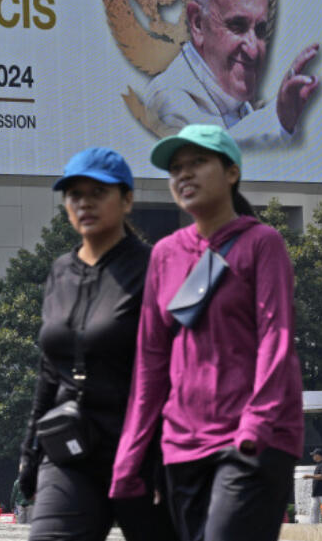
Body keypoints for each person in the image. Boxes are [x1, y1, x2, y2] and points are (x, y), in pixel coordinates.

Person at [110, 125, 304, 541]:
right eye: (176, 168)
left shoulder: (262, 243)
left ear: (231, 172)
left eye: (199, 162)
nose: (184, 174)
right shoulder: (165, 254)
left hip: (252, 442)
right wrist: (131, 451)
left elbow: (277, 338)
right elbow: (151, 362)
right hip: (181, 446)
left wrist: (256, 425)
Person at [19, 146, 174, 541]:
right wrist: (30, 452)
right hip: (70, 450)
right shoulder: (60, 271)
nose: (84, 203)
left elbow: (176, 368)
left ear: (126, 199)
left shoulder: (154, 266)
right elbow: (49, 369)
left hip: (142, 452)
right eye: (74, 194)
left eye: (97, 192)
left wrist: (164, 455)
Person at [142, 0, 319, 148]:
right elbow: (210, 161)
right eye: (237, 26)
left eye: (260, 30)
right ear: (198, 23)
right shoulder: (167, 98)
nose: (253, 50)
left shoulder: (235, 102)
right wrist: (278, 117)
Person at [304, 449, 322, 523]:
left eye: (314, 455)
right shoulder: (318, 465)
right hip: (316, 492)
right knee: (313, 510)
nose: (313, 457)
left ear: (318, 455)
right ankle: (314, 527)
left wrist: (309, 476)